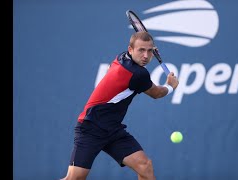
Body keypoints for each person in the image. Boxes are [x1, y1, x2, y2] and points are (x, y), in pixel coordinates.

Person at [61, 31, 179, 180]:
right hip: (91, 127)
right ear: (131, 49)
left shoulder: (121, 57)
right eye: (141, 50)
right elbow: (156, 93)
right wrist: (171, 86)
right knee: (75, 178)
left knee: (145, 167)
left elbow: (140, 51)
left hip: (112, 129)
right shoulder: (137, 74)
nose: (145, 55)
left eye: (149, 51)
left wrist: (145, 48)